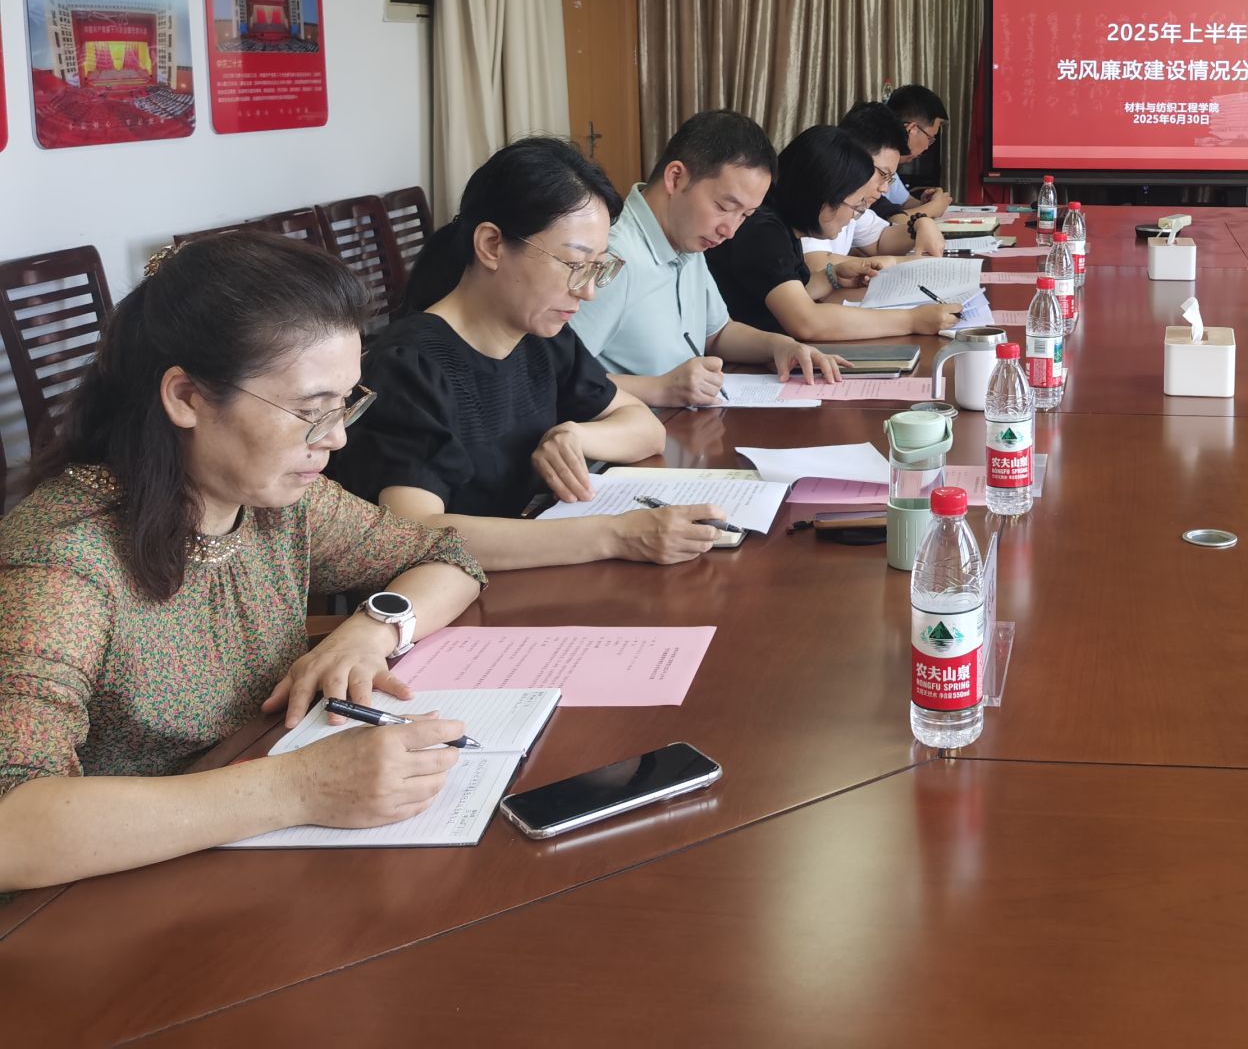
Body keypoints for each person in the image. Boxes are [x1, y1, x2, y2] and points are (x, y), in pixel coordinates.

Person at [0, 233, 488, 888]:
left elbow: (445, 556)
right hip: (105, 899)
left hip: (243, 853)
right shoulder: (63, 564)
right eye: (310, 411)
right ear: (186, 397)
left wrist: (372, 631)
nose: (337, 437)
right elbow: (11, 824)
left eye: (345, 404)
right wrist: (300, 787)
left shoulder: (274, 501)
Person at [330, 137, 725, 570]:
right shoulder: (409, 366)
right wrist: (616, 535)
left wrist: (575, 436)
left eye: (597, 267)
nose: (588, 292)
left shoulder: (541, 338)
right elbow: (416, 532)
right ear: (492, 245)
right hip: (459, 597)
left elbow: (646, 429)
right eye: (574, 265)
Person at [571, 110, 846, 409]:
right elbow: (555, 377)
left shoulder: (687, 240)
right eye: (724, 207)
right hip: (636, 429)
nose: (730, 230)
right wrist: (660, 389)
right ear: (676, 178)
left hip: (688, 423)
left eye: (745, 215)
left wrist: (780, 346)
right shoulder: (612, 258)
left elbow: (717, 333)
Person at [708, 124, 960, 341]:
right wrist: (912, 320)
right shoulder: (762, 230)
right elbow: (806, 321)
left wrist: (832, 277)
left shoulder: (782, 223)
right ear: (824, 197)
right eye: (856, 207)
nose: (853, 217)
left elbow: (786, 293)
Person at [798, 103, 945, 282]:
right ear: (855, 157)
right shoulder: (816, 194)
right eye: (883, 174)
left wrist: (921, 224)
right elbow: (817, 265)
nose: (885, 189)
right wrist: (900, 263)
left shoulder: (854, 204)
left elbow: (880, 240)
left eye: (889, 179)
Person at [885, 83, 952, 219]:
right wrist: (933, 207)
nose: (927, 147)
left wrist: (926, 204)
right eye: (930, 138)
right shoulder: (873, 160)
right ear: (912, 129)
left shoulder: (889, 162)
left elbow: (903, 203)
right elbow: (889, 219)